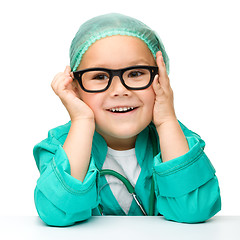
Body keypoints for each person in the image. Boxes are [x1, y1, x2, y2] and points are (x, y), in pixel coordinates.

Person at [33, 13, 221, 227]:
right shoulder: (60, 146)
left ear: (161, 78)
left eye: (136, 73)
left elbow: (195, 209)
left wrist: (167, 120)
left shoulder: (176, 140)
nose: (120, 90)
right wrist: (83, 121)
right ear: (75, 87)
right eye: (99, 76)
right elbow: (57, 214)